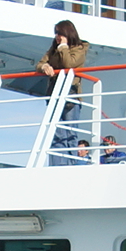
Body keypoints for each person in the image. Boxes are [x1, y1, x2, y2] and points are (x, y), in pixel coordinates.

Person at [35, 20, 89, 160]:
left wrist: (63, 46)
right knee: (57, 132)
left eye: (60, 33)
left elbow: (69, 63)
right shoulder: (53, 49)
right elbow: (40, 63)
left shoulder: (80, 48)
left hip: (71, 95)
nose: (57, 37)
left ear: (68, 33)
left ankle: (71, 164)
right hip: (55, 93)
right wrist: (44, 67)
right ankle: (59, 163)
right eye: (56, 33)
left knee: (70, 132)